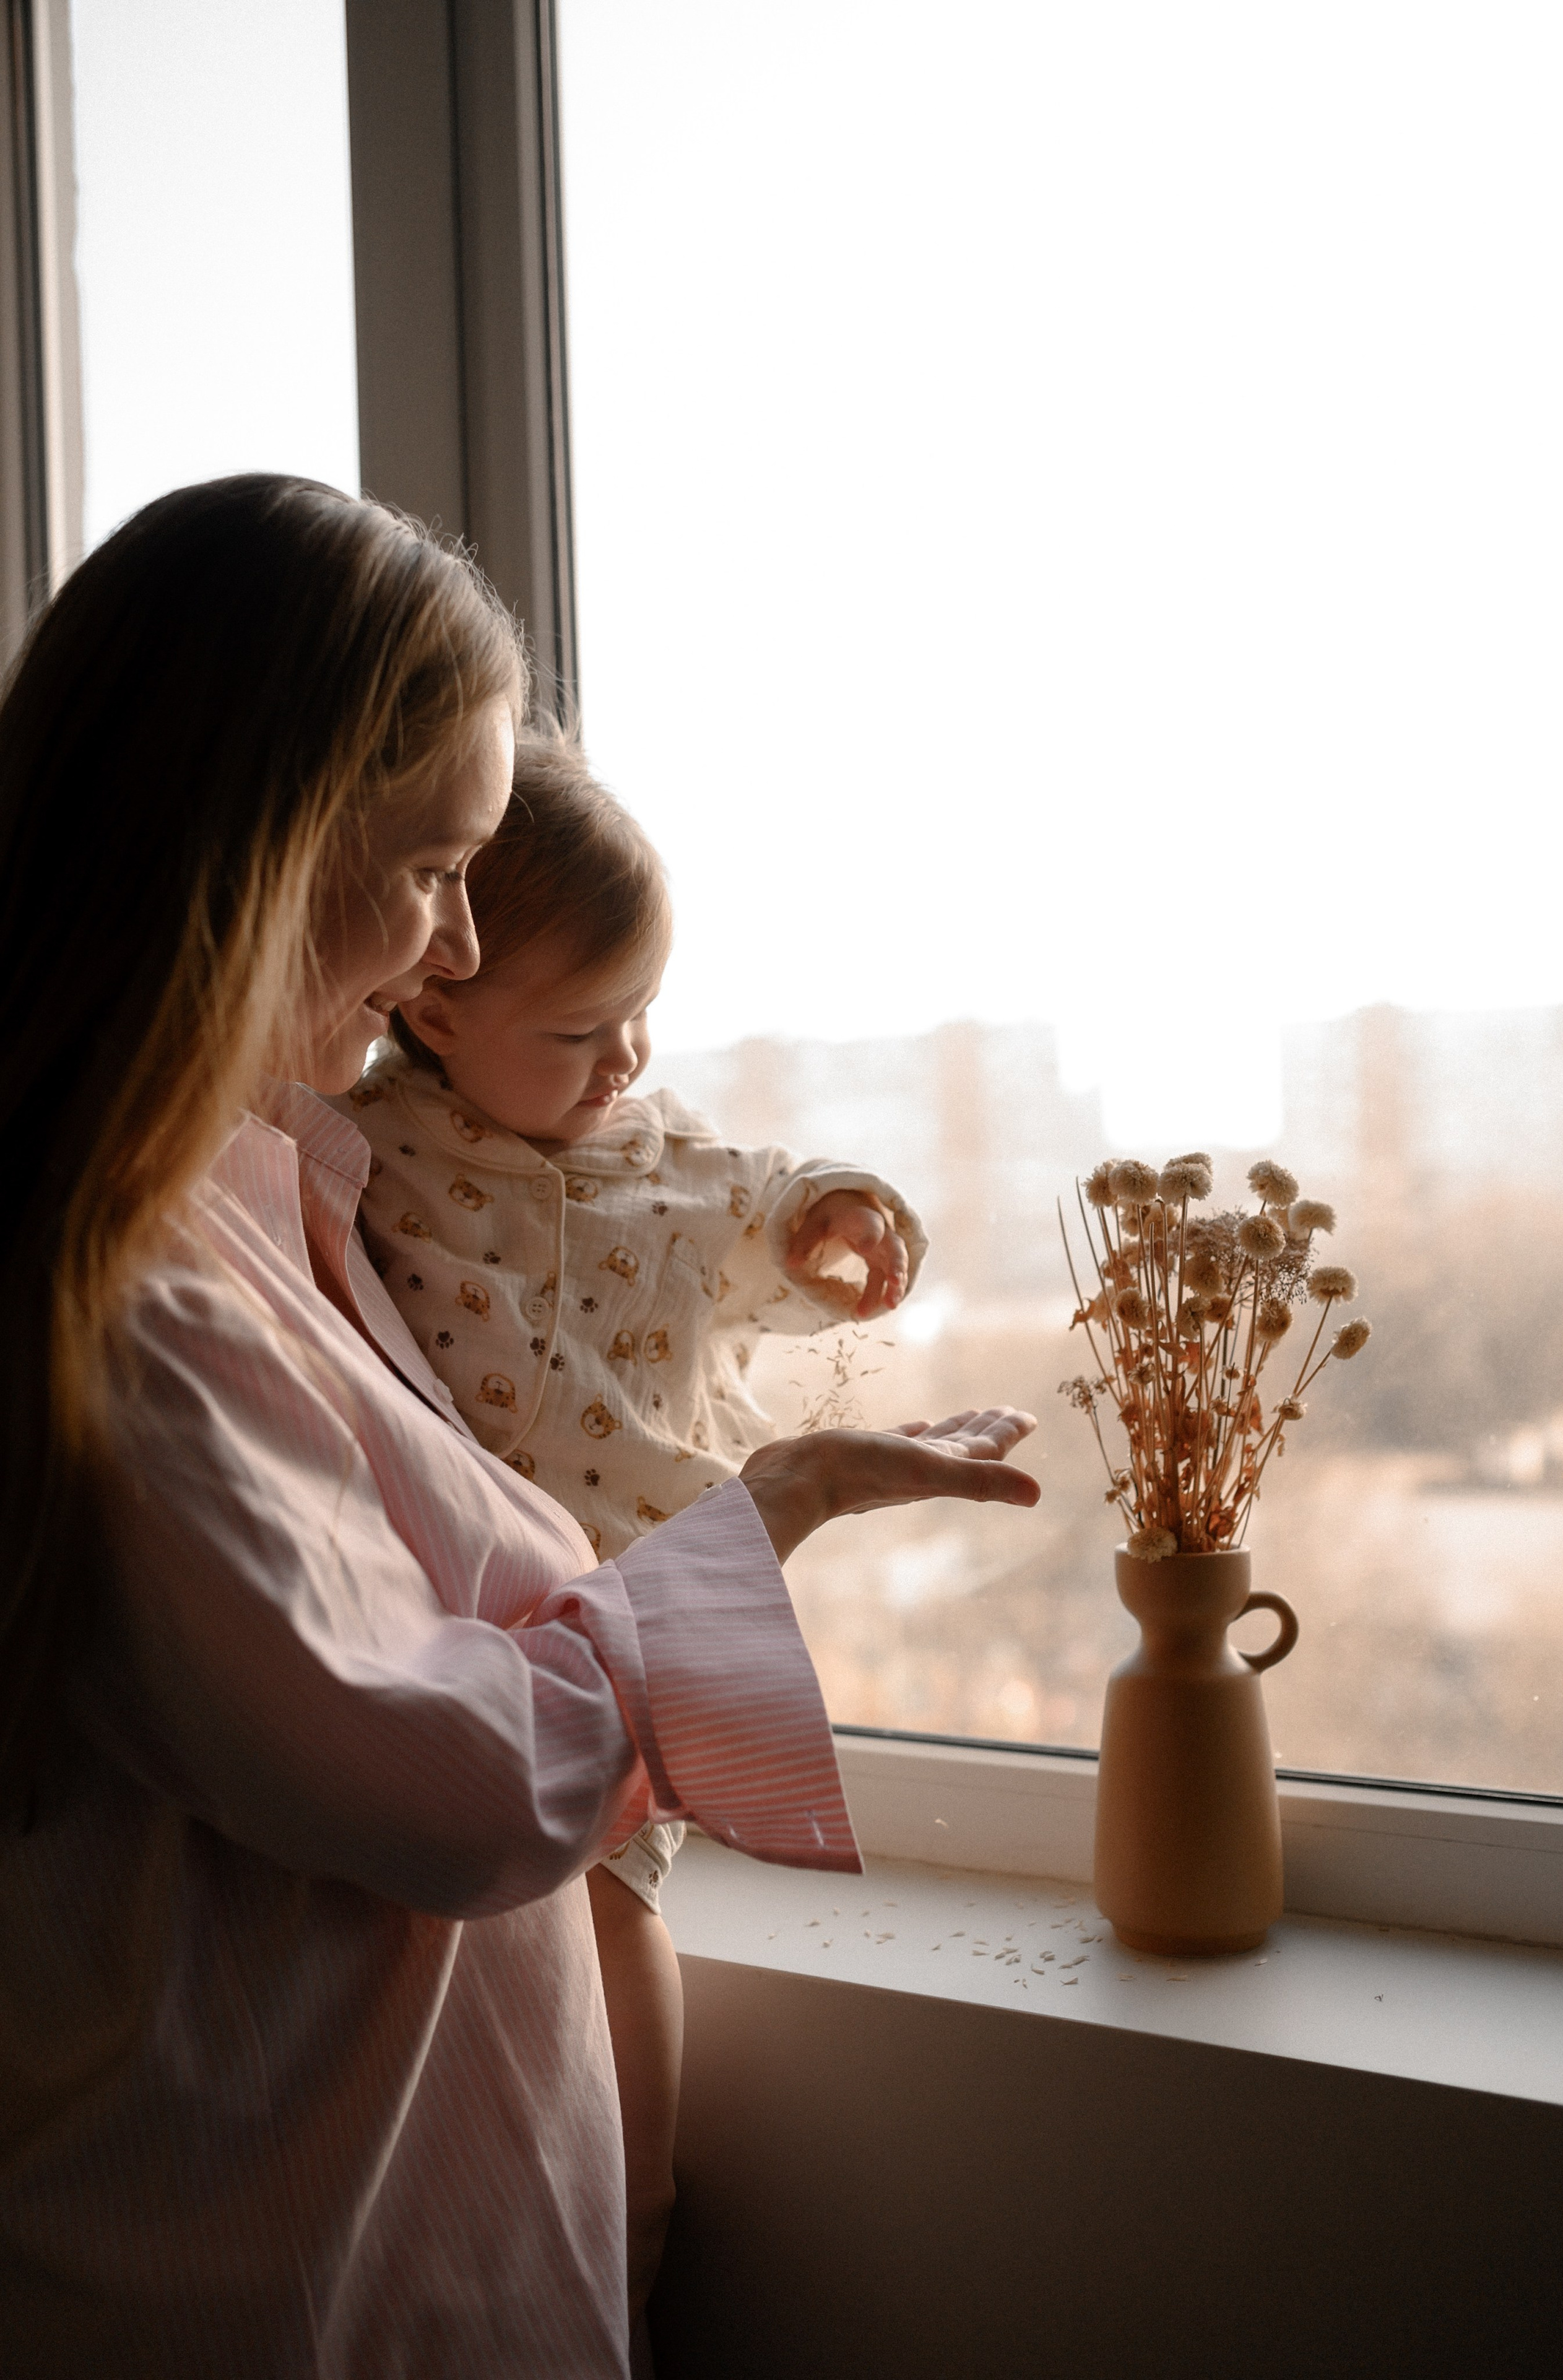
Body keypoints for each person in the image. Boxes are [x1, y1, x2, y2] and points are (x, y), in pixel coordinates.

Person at [0, 474, 1039, 2379]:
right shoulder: (124, 1307)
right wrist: (774, 1503)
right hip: (262, 2289)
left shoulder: (277, 1204)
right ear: (252, 845)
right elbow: (452, 1781)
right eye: (431, 867)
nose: (463, 952)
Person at [337, 732, 933, 2323]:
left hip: (638, 1625)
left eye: (645, 1014)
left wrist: (839, 1217)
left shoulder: (663, 1162)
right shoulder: (370, 1149)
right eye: (582, 1027)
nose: (625, 1059)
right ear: (431, 997)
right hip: (436, 1635)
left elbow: (776, 1195)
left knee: (614, 1929)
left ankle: (640, 2228)